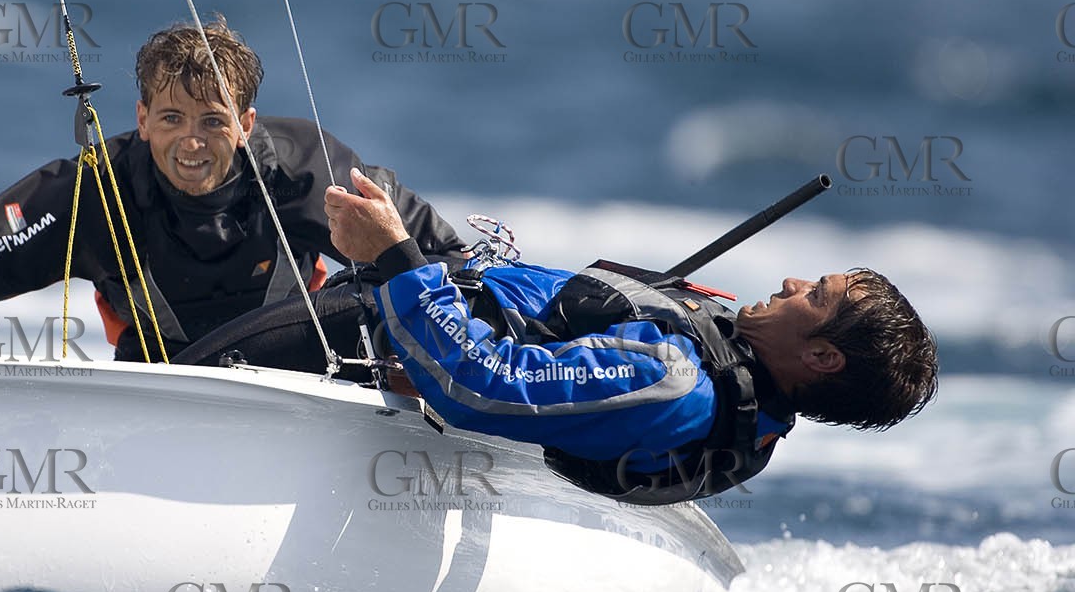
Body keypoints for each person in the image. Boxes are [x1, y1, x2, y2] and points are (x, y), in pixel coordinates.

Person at [175, 167, 939, 505]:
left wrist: (394, 259)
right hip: (430, 314)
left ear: (822, 355)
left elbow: (485, 383)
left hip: (394, 319)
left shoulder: (674, 378)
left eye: (818, 294)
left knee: (184, 379)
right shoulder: (749, 413)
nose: (794, 282)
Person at [0, 19, 466, 359]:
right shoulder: (95, 192)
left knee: (383, 305)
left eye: (212, 121)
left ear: (243, 124)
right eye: (171, 118)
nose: (191, 142)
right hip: (162, 386)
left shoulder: (305, 168)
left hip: (303, 380)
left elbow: (439, 257)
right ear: (141, 118)